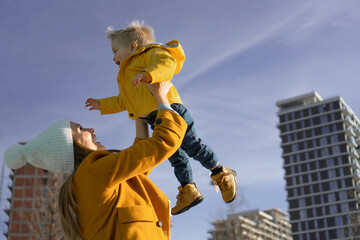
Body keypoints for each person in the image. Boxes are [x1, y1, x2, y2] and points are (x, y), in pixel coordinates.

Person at [85, 20, 238, 215]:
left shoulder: (149, 54)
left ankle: (221, 173)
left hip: (171, 109)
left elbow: (167, 64)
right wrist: (102, 105)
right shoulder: (127, 76)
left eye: (115, 50)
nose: (113, 57)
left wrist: (148, 74)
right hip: (155, 119)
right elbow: (124, 101)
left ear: (133, 46)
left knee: (191, 146)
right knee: (173, 155)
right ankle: (188, 188)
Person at [4, 82, 187, 240]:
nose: (91, 129)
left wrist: (139, 113)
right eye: (81, 128)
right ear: (72, 146)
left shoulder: (88, 178)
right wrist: (161, 98)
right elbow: (163, 143)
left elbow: (137, 167)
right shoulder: (93, 171)